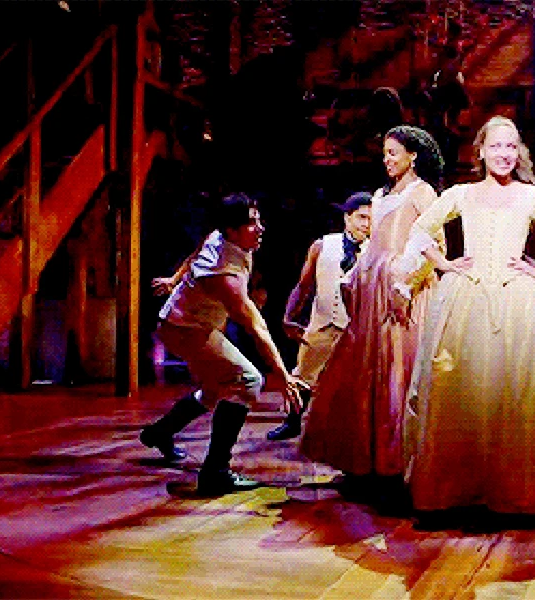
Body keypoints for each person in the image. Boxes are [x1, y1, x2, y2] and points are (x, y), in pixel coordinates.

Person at [399, 116, 535, 514]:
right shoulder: (462, 194)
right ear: (481, 151)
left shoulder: (531, 195)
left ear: (519, 152)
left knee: (518, 393)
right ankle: (466, 489)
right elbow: (420, 230)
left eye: (510, 146)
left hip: (518, 299)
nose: (504, 154)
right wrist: (445, 264)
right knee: (469, 392)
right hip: (468, 296)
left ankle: (517, 488)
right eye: (495, 146)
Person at [300, 126, 445, 486]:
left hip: (402, 289)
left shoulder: (422, 192)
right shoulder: (381, 194)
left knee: (399, 370)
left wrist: (405, 282)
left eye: (393, 153)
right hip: (371, 290)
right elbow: (374, 243)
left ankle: (400, 464)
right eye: (384, 153)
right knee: (367, 372)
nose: (387, 160)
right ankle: (368, 461)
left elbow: (436, 245)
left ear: (413, 155)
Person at [139, 193, 306, 496]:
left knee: (217, 390)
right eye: (252, 223)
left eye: (259, 220)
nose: (261, 228)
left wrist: (174, 280)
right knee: (247, 380)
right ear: (232, 231)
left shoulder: (220, 236)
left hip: (188, 323)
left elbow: (195, 253)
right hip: (184, 329)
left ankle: (160, 432)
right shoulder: (224, 276)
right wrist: (282, 375)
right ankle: (215, 472)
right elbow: (256, 327)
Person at [265, 192, 372, 441]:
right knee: (303, 375)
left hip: (355, 327)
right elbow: (304, 285)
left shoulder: (376, 250)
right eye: (361, 217)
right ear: (347, 217)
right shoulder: (322, 245)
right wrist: (289, 316)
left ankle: (346, 431)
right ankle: (292, 422)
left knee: (352, 382)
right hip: (322, 323)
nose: (366, 224)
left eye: (371, 219)